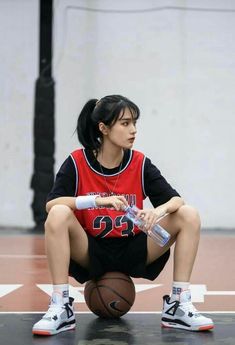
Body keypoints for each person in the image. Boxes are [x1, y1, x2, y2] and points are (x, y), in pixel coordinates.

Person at [32, 95, 214, 335]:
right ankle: (60, 306)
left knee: (188, 214)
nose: (133, 130)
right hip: (91, 250)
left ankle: (178, 305)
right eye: (125, 123)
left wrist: (157, 211)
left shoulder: (139, 163)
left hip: (134, 249)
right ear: (104, 128)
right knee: (58, 214)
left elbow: (176, 199)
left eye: (134, 123)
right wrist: (96, 200)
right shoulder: (77, 162)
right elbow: (51, 204)